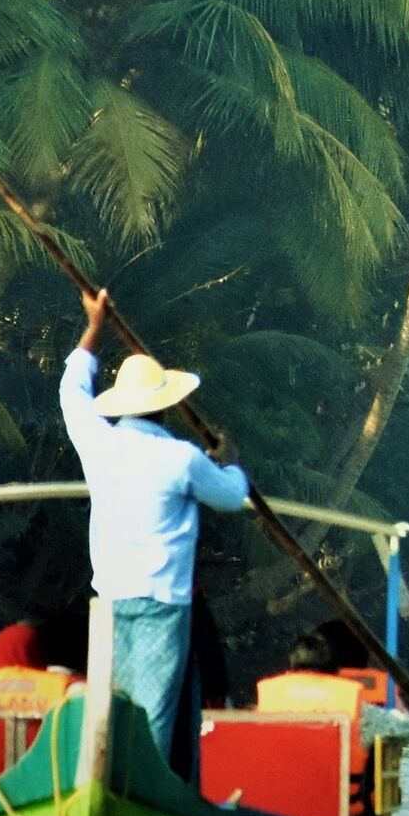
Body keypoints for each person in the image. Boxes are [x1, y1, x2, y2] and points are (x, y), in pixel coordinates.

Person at [60, 289, 253, 762]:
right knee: (153, 716)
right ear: (165, 408)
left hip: (110, 600)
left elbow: (71, 390)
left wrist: (94, 326)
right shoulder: (180, 458)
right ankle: (148, 786)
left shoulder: (98, 443)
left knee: (126, 707)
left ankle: (156, 784)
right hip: (162, 605)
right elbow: (232, 496)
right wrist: (229, 461)